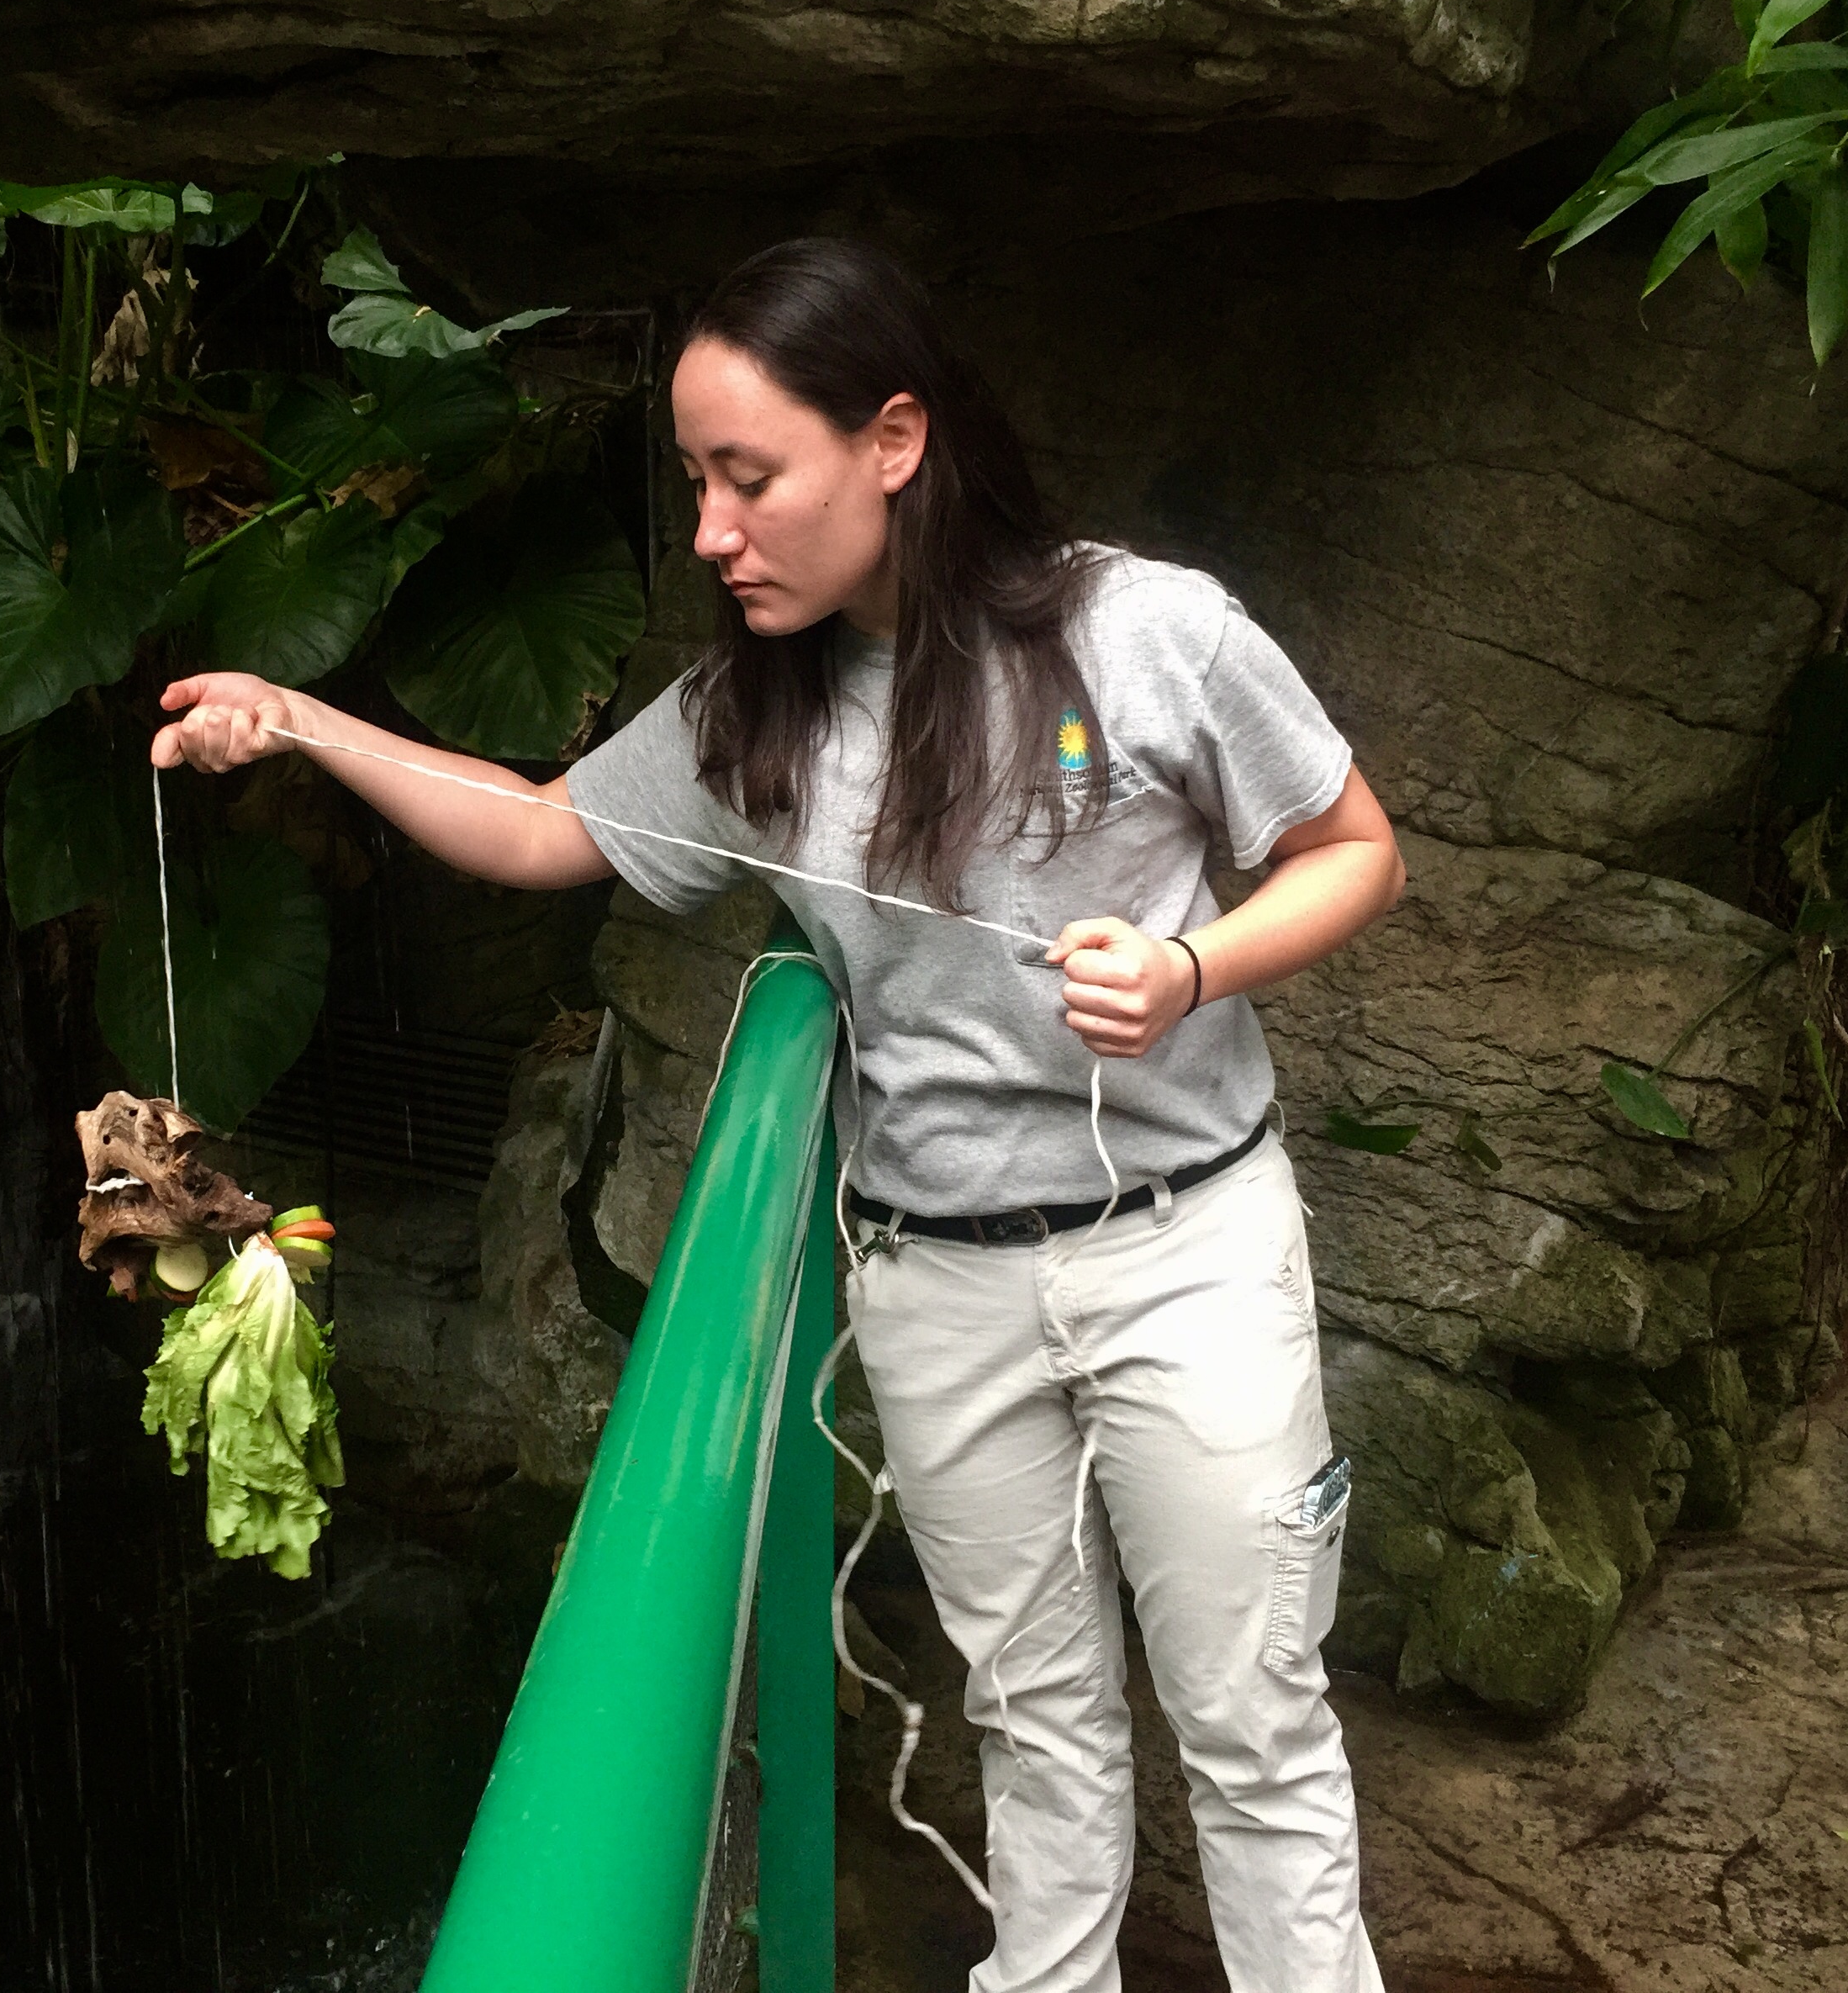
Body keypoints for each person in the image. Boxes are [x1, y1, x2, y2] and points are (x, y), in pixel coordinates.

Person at [152, 236, 1403, 1993]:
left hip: (1186, 1251)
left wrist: (1195, 969)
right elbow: (531, 829)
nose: (716, 534)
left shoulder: (1147, 631)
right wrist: (301, 723)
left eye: (752, 479)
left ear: (893, 439)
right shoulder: (750, 704)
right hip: (939, 1282)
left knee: (1251, 1723)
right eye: (695, 485)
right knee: (1032, 1715)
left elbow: (1354, 849)